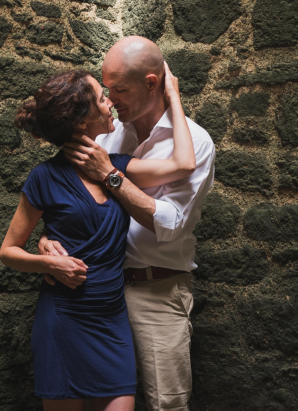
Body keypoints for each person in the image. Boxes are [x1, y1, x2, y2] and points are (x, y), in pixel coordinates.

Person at [0, 63, 195, 411]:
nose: (111, 104)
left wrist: (174, 97)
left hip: (111, 317)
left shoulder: (117, 166)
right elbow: (8, 251)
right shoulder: (44, 177)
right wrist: (48, 261)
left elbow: (184, 164)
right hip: (63, 317)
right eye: (103, 98)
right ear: (80, 121)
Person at [39, 36, 216, 411]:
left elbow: (171, 225)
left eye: (119, 89)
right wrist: (48, 239)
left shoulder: (196, 142)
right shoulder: (109, 130)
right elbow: (69, 196)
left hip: (157, 290)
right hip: (98, 293)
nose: (111, 99)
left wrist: (112, 177)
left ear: (152, 83)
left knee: (164, 404)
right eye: (107, 90)